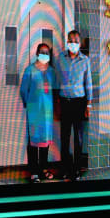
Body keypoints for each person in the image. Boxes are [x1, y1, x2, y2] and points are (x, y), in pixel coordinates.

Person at [55, 30, 92, 181]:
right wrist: (56, 103)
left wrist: (88, 105)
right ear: (67, 41)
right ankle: (65, 168)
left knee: (78, 138)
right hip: (64, 101)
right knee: (64, 137)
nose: (73, 43)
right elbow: (56, 80)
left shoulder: (85, 60)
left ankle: (76, 169)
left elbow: (88, 83)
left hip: (79, 103)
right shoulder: (60, 58)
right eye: (70, 40)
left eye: (76, 41)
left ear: (80, 43)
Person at [20, 43, 58, 183]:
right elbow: (23, 90)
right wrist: (29, 104)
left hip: (47, 113)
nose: (44, 54)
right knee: (33, 141)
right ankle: (34, 172)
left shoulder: (51, 71)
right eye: (42, 52)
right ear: (37, 53)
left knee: (45, 141)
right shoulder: (30, 70)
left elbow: (55, 90)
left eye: (47, 52)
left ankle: (43, 169)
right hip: (34, 112)